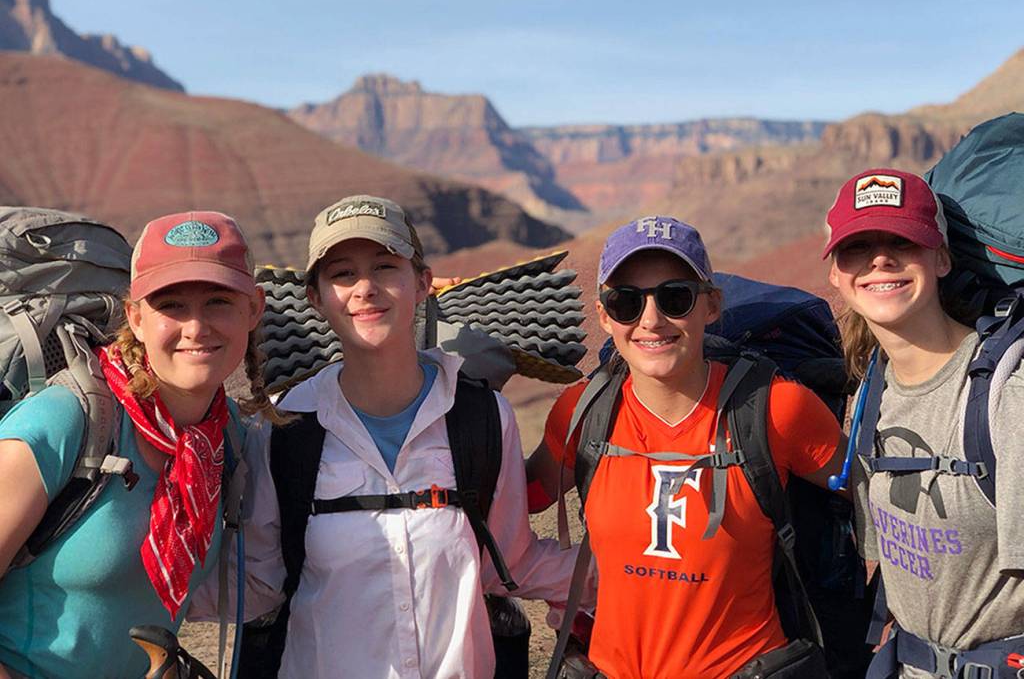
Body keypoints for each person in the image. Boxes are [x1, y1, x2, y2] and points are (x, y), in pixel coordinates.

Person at [239, 195, 579, 678]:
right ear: (316, 297)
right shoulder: (283, 426)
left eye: (385, 267)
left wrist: (653, 581)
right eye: (342, 274)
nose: (365, 288)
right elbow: (255, 583)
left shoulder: (481, 416)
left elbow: (510, 562)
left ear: (422, 283)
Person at [527, 216, 846, 678]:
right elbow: (522, 498)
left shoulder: (776, 409)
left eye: (675, 298)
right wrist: (469, 387)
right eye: (626, 302)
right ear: (604, 316)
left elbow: (880, 505)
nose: (651, 320)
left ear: (711, 305)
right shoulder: (582, 411)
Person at [0, 211, 280, 679]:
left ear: (253, 309)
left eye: (218, 301)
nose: (196, 327)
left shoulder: (222, 438)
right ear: (136, 318)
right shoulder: (69, 422)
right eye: (171, 305)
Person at [824, 169, 1024, 678]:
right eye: (857, 247)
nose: (880, 260)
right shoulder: (871, 391)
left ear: (941, 259)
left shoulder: (1006, 395)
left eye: (902, 241)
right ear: (836, 275)